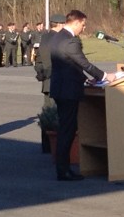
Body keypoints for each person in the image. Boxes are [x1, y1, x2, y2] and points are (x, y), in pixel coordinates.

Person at [49, 10, 114, 181]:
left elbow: (70, 65)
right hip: (67, 91)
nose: (84, 28)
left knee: (66, 128)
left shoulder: (57, 37)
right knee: (67, 130)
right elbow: (83, 63)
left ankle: (63, 168)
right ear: (76, 22)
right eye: (83, 25)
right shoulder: (70, 41)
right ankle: (63, 170)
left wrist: (87, 80)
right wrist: (105, 76)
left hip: (61, 87)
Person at [34, 13, 65, 153]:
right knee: (59, 114)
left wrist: (41, 73)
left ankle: (47, 145)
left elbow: (38, 59)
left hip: (47, 81)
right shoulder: (60, 39)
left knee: (48, 113)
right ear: (60, 25)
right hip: (58, 80)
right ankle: (58, 146)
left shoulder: (44, 37)